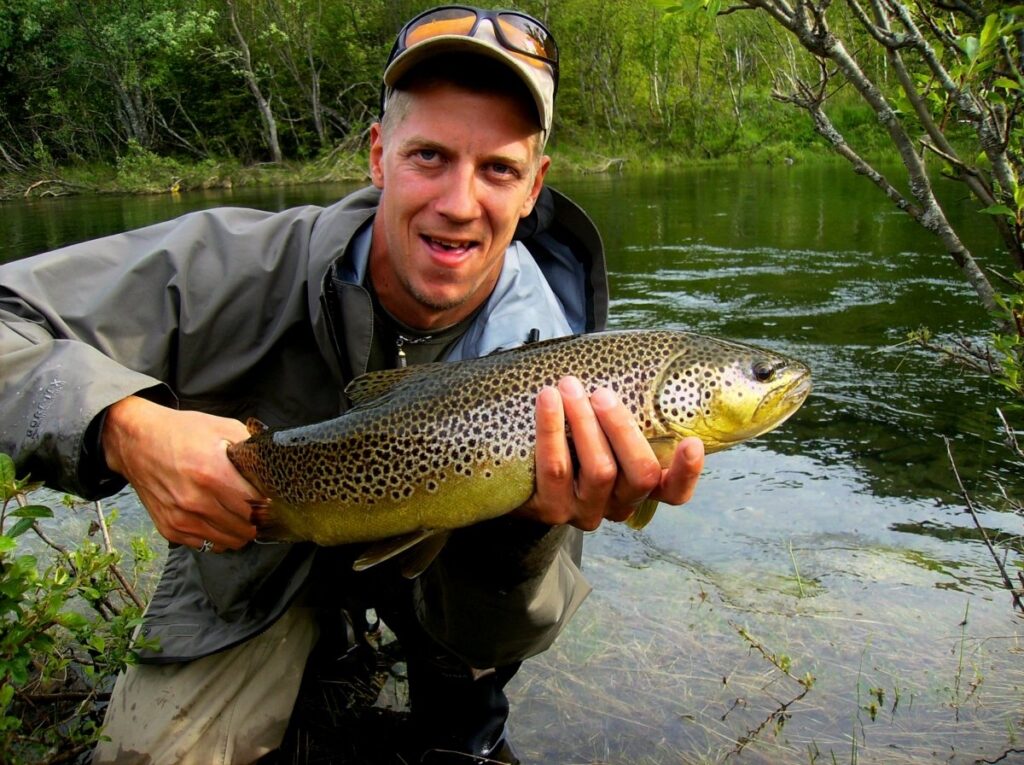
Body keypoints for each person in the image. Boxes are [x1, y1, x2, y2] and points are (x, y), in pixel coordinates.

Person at [0, 6, 704, 764]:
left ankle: (455, 715)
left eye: (498, 168)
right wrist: (125, 429)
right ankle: (306, 640)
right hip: (259, 543)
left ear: (536, 186)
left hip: (447, 584)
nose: (460, 202)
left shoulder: (567, 369)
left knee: (472, 673)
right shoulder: (239, 267)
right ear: (377, 155)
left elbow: (513, 628)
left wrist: (519, 536)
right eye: (429, 156)